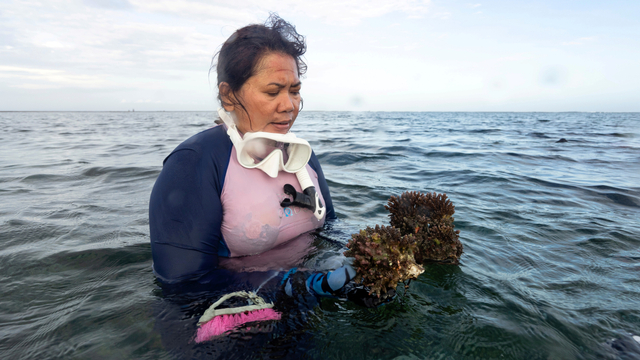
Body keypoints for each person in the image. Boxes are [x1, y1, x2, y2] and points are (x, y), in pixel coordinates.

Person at [149, 14, 392, 308]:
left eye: (295, 90)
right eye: (273, 91)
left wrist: (363, 262)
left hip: (305, 304)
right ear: (228, 96)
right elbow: (181, 285)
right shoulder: (194, 163)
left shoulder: (304, 157)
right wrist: (294, 286)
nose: (289, 105)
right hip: (235, 324)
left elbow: (329, 228)